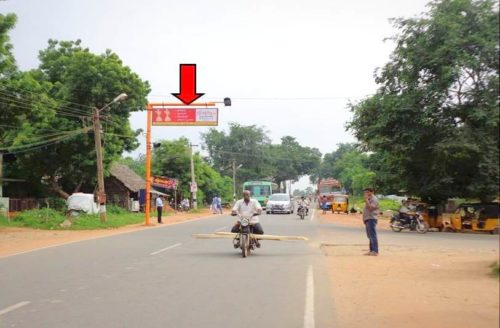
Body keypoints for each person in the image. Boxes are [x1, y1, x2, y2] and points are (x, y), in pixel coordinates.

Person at [363, 187, 379, 256]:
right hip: (367, 218)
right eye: (365, 192)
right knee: (370, 235)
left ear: (372, 192)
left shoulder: (374, 199)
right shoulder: (369, 199)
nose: (366, 194)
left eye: (368, 192)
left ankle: (375, 251)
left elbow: (370, 208)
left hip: (371, 218)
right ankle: (371, 250)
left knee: (372, 235)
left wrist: (366, 200)